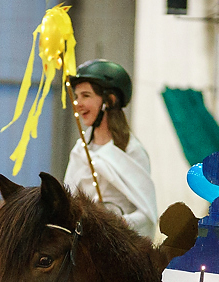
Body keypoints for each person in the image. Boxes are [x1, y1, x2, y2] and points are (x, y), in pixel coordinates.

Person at [64, 59, 158, 239]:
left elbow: (147, 216)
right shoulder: (79, 150)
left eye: (85, 95)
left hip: (118, 247)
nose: (77, 103)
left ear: (110, 100)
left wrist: (119, 222)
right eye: (76, 96)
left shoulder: (132, 151)